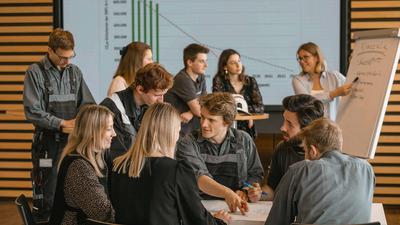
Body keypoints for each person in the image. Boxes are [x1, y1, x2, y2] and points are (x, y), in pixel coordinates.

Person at [110, 103, 231, 225]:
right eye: (178, 131)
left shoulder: (118, 166)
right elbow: (198, 221)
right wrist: (220, 221)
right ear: (170, 133)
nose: (178, 137)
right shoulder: (176, 170)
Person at [23, 28, 95, 221]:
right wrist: (61, 123)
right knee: (47, 192)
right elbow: (32, 111)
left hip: (71, 144)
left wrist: (79, 122)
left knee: (73, 192)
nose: (67, 62)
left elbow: (88, 105)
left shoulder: (75, 72)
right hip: (47, 146)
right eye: (63, 57)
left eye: (70, 56)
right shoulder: (35, 72)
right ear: (50, 50)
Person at [265, 118, 375, 225]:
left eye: (305, 151)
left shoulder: (299, 171)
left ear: (313, 151)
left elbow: (276, 222)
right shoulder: (367, 169)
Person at [176, 92, 264, 214]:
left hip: (235, 209)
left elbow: (255, 173)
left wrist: (247, 190)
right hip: (199, 209)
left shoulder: (244, 140)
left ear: (227, 122)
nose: (203, 124)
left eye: (211, 120)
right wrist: (228, 193)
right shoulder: (188, 142)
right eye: (202, 117)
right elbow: (200, 179)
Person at [49, 105, 115, 225]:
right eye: (109, 128)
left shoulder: (92, 158)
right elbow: (103, 213)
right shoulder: (79, 167)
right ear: (93, 132)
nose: (114, 134)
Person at [100, 63, 173, 161]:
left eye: (163, 95)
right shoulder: (111, 109)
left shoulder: (148, 105)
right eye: (156, 95)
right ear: (140, 89)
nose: (161, 100)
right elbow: (115, 157)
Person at [262, 94, 324, 200]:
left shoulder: (326, 155)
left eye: (290, 124)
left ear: (308, 129)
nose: (282, 128)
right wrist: (259, 194)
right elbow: (272, 189)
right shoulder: (282, 148)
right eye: (284, 121)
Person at [292, 42, 352, 121]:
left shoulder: (335, 76)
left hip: (333, 129)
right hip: (310, 129)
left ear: (316, 58)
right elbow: (307, 102)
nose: (302, 61)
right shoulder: (298, 80)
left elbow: (353, 85)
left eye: (305, 57)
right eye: (300, 58)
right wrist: (334, 93)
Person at [212, 49, 264, 138]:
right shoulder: (219, 81)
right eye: (233, 63)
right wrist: (246, 112)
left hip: (247, 128)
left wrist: (247, 113)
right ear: (225, 67)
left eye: (239, 61)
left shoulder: (250, 81)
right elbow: (220, 107)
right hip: (226, 128)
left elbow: (260, 107)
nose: (238, 65)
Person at [165, 43, 209, 136]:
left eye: (206, 61)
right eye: (201, 61)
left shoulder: (201, 76)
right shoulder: (183, 79)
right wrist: (194, 111)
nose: (206, 65)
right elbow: (199, 111)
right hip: (177, 130)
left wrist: (190, 112)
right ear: (190, 62)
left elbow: (206, 102)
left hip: (191, 128)